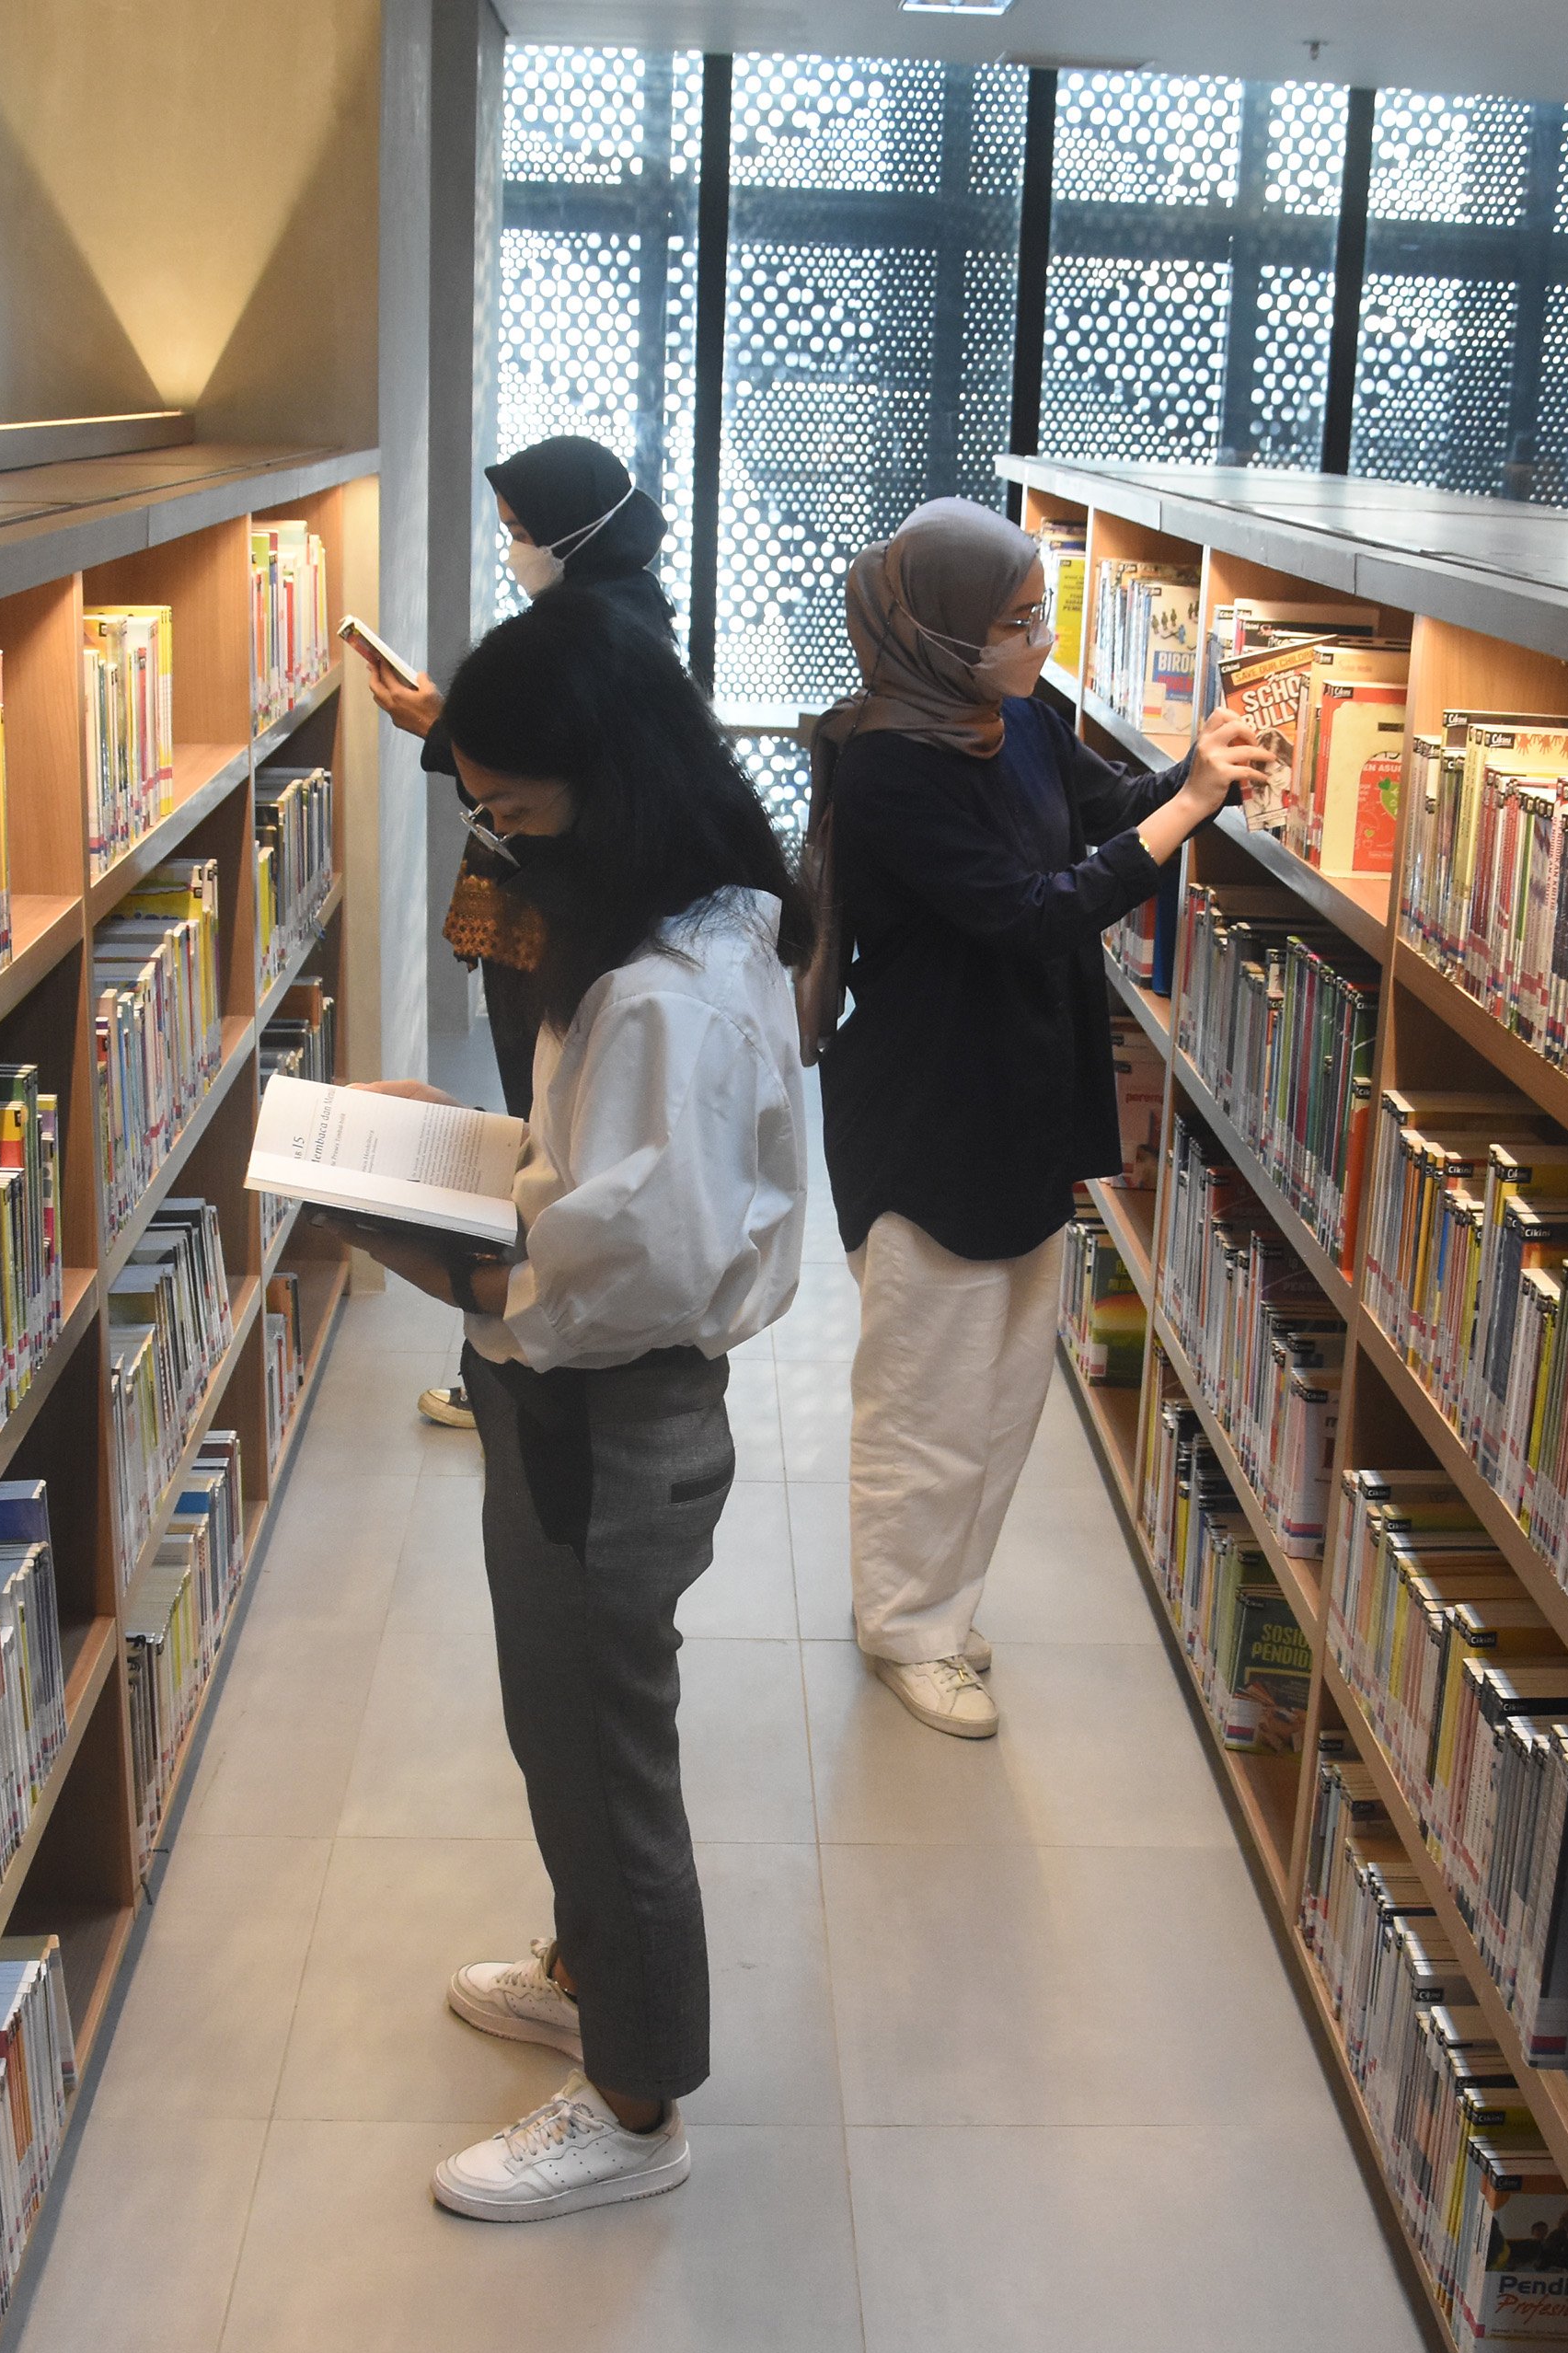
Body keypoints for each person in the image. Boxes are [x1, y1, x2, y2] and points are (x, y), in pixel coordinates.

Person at [329, 584, 810, 2221]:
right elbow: (604, 1181)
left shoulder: (662, 991)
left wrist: (402, 1229)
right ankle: (591, 1966)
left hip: (605, 1419)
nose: (494, 834)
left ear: (603, 775)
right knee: (565, 1727)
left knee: (603, 1755)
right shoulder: (700, 912)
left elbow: (620, 1275)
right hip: (601, 1410)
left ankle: (632, 2097)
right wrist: (449, 1139)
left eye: (514, 804)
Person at [813, 497, 1270, 1739]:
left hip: (1021, 1097)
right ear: (945, 634)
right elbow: (1030, 909)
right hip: (926, 1116)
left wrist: (1194, 773)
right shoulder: (889, 767)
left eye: (1043, 614)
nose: (1041, 638)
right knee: (925, 1395)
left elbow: (1104, 805)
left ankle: (937, 1602)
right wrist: (1187, 816)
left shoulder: (1006, 719)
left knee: (1007, 1387)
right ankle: (900, 1622)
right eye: (1020, 621)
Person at [357, 435, 678, 1434]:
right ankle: (505, 1358)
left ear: (575, 532)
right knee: (540, 1128)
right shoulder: (620, 611)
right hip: (553, 915)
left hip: (550, 920)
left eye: (523, 534)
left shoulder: (598, 628)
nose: (515, 551)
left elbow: (561, 775)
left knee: (537, 1135)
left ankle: (507, 1364)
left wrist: (443, 735)